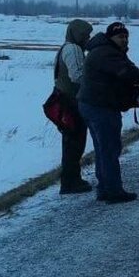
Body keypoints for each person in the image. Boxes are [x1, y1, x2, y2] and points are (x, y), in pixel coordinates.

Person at [77, 22, 139, 203]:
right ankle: (114, 192)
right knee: (109, 149)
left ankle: (104, 189)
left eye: (125, 37)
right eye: (120, 37)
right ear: (110, 37)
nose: (123, 40)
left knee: (102, 149)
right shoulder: (106, 53)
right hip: (100, 107)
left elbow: (130, 71)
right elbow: (127, 73)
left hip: (92, 105)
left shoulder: (108, 51)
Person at [54, 19, 94, 194]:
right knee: (75, 142)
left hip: (64, 99)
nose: (88, 38)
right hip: (71, 101)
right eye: (86, 34)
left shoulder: (65, 47)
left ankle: (70, 180)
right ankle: (71, 182)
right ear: (78, 34)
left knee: (70, 141)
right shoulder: (73, 49)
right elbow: (77, 76)